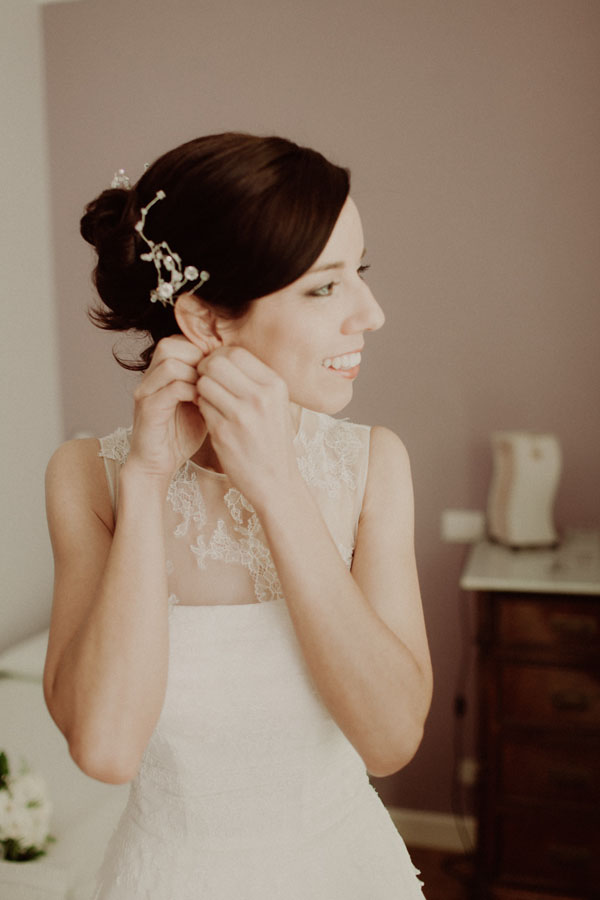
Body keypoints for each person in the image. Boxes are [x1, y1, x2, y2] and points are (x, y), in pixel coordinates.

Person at [44, 132, 432, 899]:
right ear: (208, 320)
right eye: (323, 288)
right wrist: (147, 480)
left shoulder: (373, 465)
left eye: (357, 273)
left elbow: (390, 741)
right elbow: (107, 751)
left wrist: (279, 486)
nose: (371, 314)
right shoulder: (87, 478)